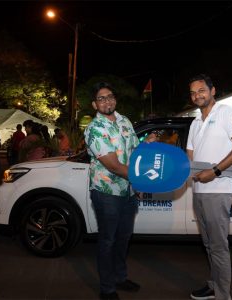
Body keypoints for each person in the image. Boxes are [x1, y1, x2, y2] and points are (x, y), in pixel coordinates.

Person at [84, 82, 151, 300]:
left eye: (109, 97)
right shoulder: (95, 129)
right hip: (107, 193)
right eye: (101, 98)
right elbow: (113, 165)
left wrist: (146, 144)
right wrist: (141, 181)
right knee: (107, 240)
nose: (106, 101)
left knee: (124, 238)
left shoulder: (125, 121)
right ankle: (107, 288)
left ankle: (120, 278)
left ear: (115, 99)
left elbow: (133, 153)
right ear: (95, 104)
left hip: (128, 191)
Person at [186, 74, 232, 300]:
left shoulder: (225, 112)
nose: (197, 95)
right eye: (193, 92)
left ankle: (223, 295)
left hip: (218, 189)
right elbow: (190, 156)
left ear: (213, 91)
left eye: (201, 90)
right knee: (209, 244)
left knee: (219, 246)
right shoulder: (195, 122)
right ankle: (214, 285)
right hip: (199, 191)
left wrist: (215, 171)